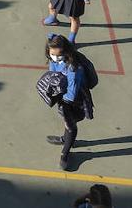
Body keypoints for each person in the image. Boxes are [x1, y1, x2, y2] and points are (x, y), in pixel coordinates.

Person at [45, 34, 90, 171]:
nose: (55, 58)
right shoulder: (54, 60)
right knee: (68, 122)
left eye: (58, 56)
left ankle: (65, 154)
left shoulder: (73, 68)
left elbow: (71, 93)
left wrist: (62, 105)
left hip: (74, 100)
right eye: (52, 54)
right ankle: (66, 139)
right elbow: (52, 74)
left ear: (66, 52)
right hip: (62, 95)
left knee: (70, 125)